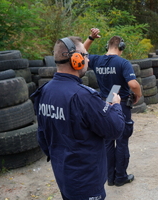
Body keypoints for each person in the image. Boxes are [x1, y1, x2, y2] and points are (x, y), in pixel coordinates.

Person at [31, 35, 126, 200]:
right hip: (86, 182)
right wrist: (116, 105)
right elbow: (115, 129)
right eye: (85, 55)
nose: (88, 61)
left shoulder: (45, 91)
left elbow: (43, 137)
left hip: (63, 175)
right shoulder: (84, 96)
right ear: (76, 59)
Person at [84, 29, 142, 187]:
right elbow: (133, 84)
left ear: (107, 46)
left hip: (104, 104)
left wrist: (90, 38)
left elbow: (80, 53)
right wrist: (138, 95)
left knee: (108, 142)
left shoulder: (96, 60)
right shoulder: (123, 63)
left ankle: (110, 177)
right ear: (121, 47)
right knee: (122, 141)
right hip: (120, 104)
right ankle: (121, 177)